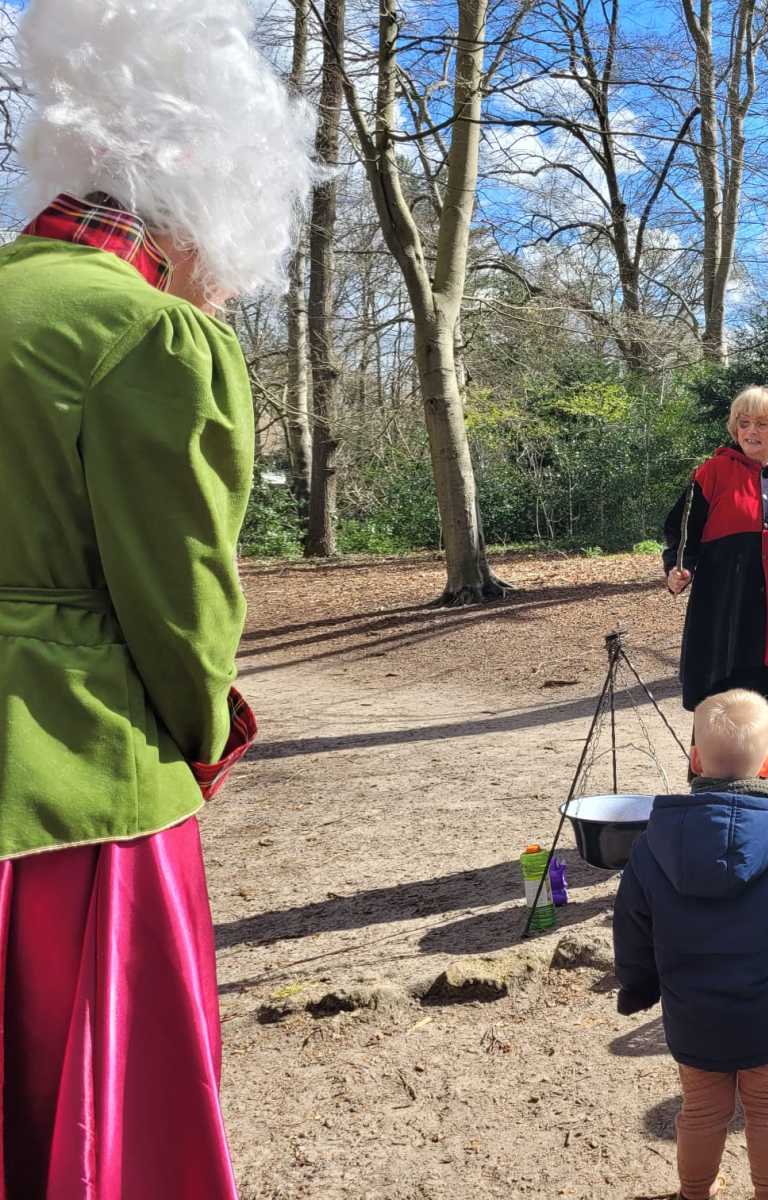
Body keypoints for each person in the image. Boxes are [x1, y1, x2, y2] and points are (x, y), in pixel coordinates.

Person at [0, 1, 315, 1194]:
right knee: (101, 1129)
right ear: (195, 218)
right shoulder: (149, 334)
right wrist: (202, 733)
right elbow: (180, 602)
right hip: (75, 792)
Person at [612, 689, 768, 1200]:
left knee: (701, 1110)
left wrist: (637, 987)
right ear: (767, 765)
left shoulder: (652, 844)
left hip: (693, 1016)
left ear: (695, 760)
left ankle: (695, 1193)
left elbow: (631, 925)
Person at [663, 386, 768, 777]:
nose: (751, 431)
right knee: (724, 688)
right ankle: (714, 772)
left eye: (762, 423)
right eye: (744, 423)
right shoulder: (712, 473)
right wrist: (678, 568)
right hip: (725, 609)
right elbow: (682, 531)